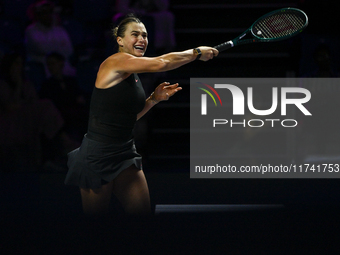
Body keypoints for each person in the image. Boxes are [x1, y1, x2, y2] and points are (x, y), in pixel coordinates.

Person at [64, 14, 218, 215]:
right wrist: (197, 52)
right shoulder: (115, 62)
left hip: (125, 152)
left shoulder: (133, 72)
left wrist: (153, 99)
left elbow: (130, 117)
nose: (142, 39)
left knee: (143, 218)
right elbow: (162, 63)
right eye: (134, 34)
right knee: (96, 230)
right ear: (119, 40)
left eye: (145, 35)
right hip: (98, 155)